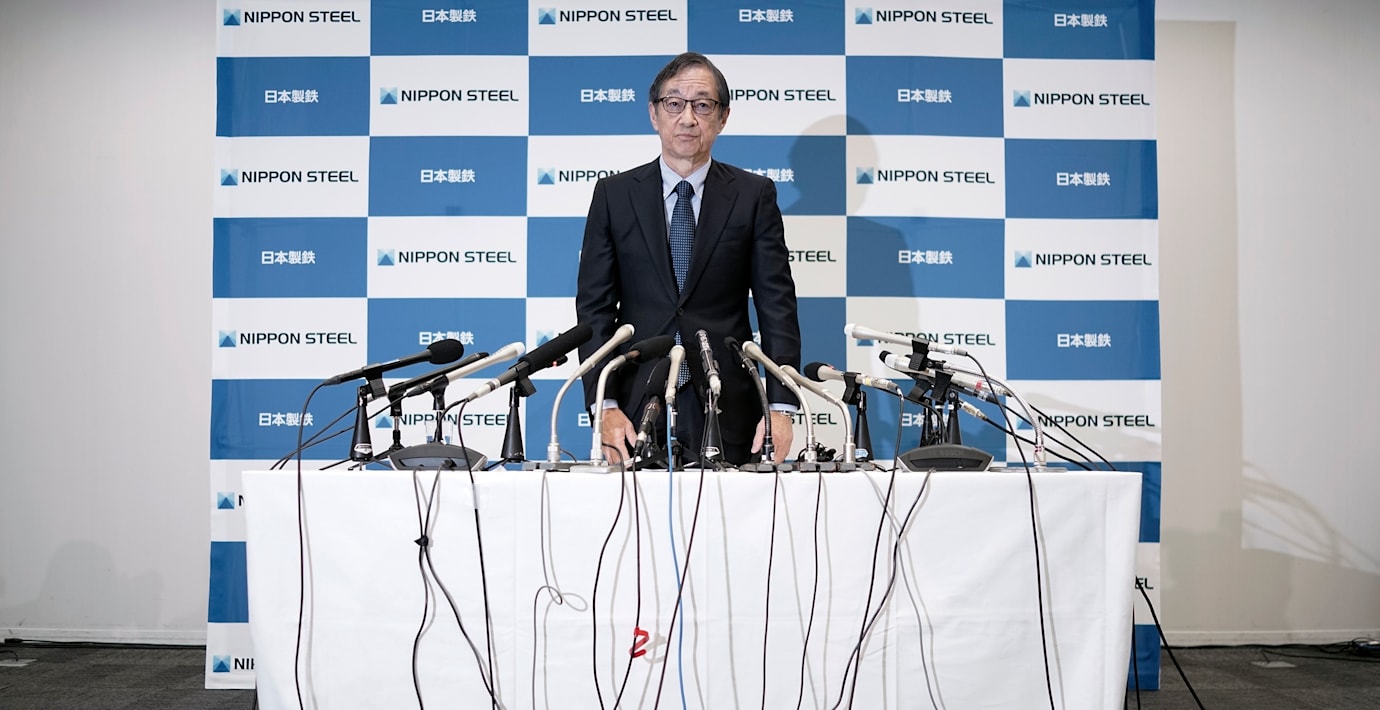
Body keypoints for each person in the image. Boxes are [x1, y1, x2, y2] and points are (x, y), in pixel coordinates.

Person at [575, 51, 801, 466]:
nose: (687, 118)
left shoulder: (753, 196)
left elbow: (777, 308)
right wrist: (604, 405)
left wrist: (781, 407)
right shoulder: (614, 196)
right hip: (635, 403)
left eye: (702, 105)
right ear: (654, 113)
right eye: (674, 104)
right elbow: (595, 311)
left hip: (728, 402)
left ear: (723, 117)